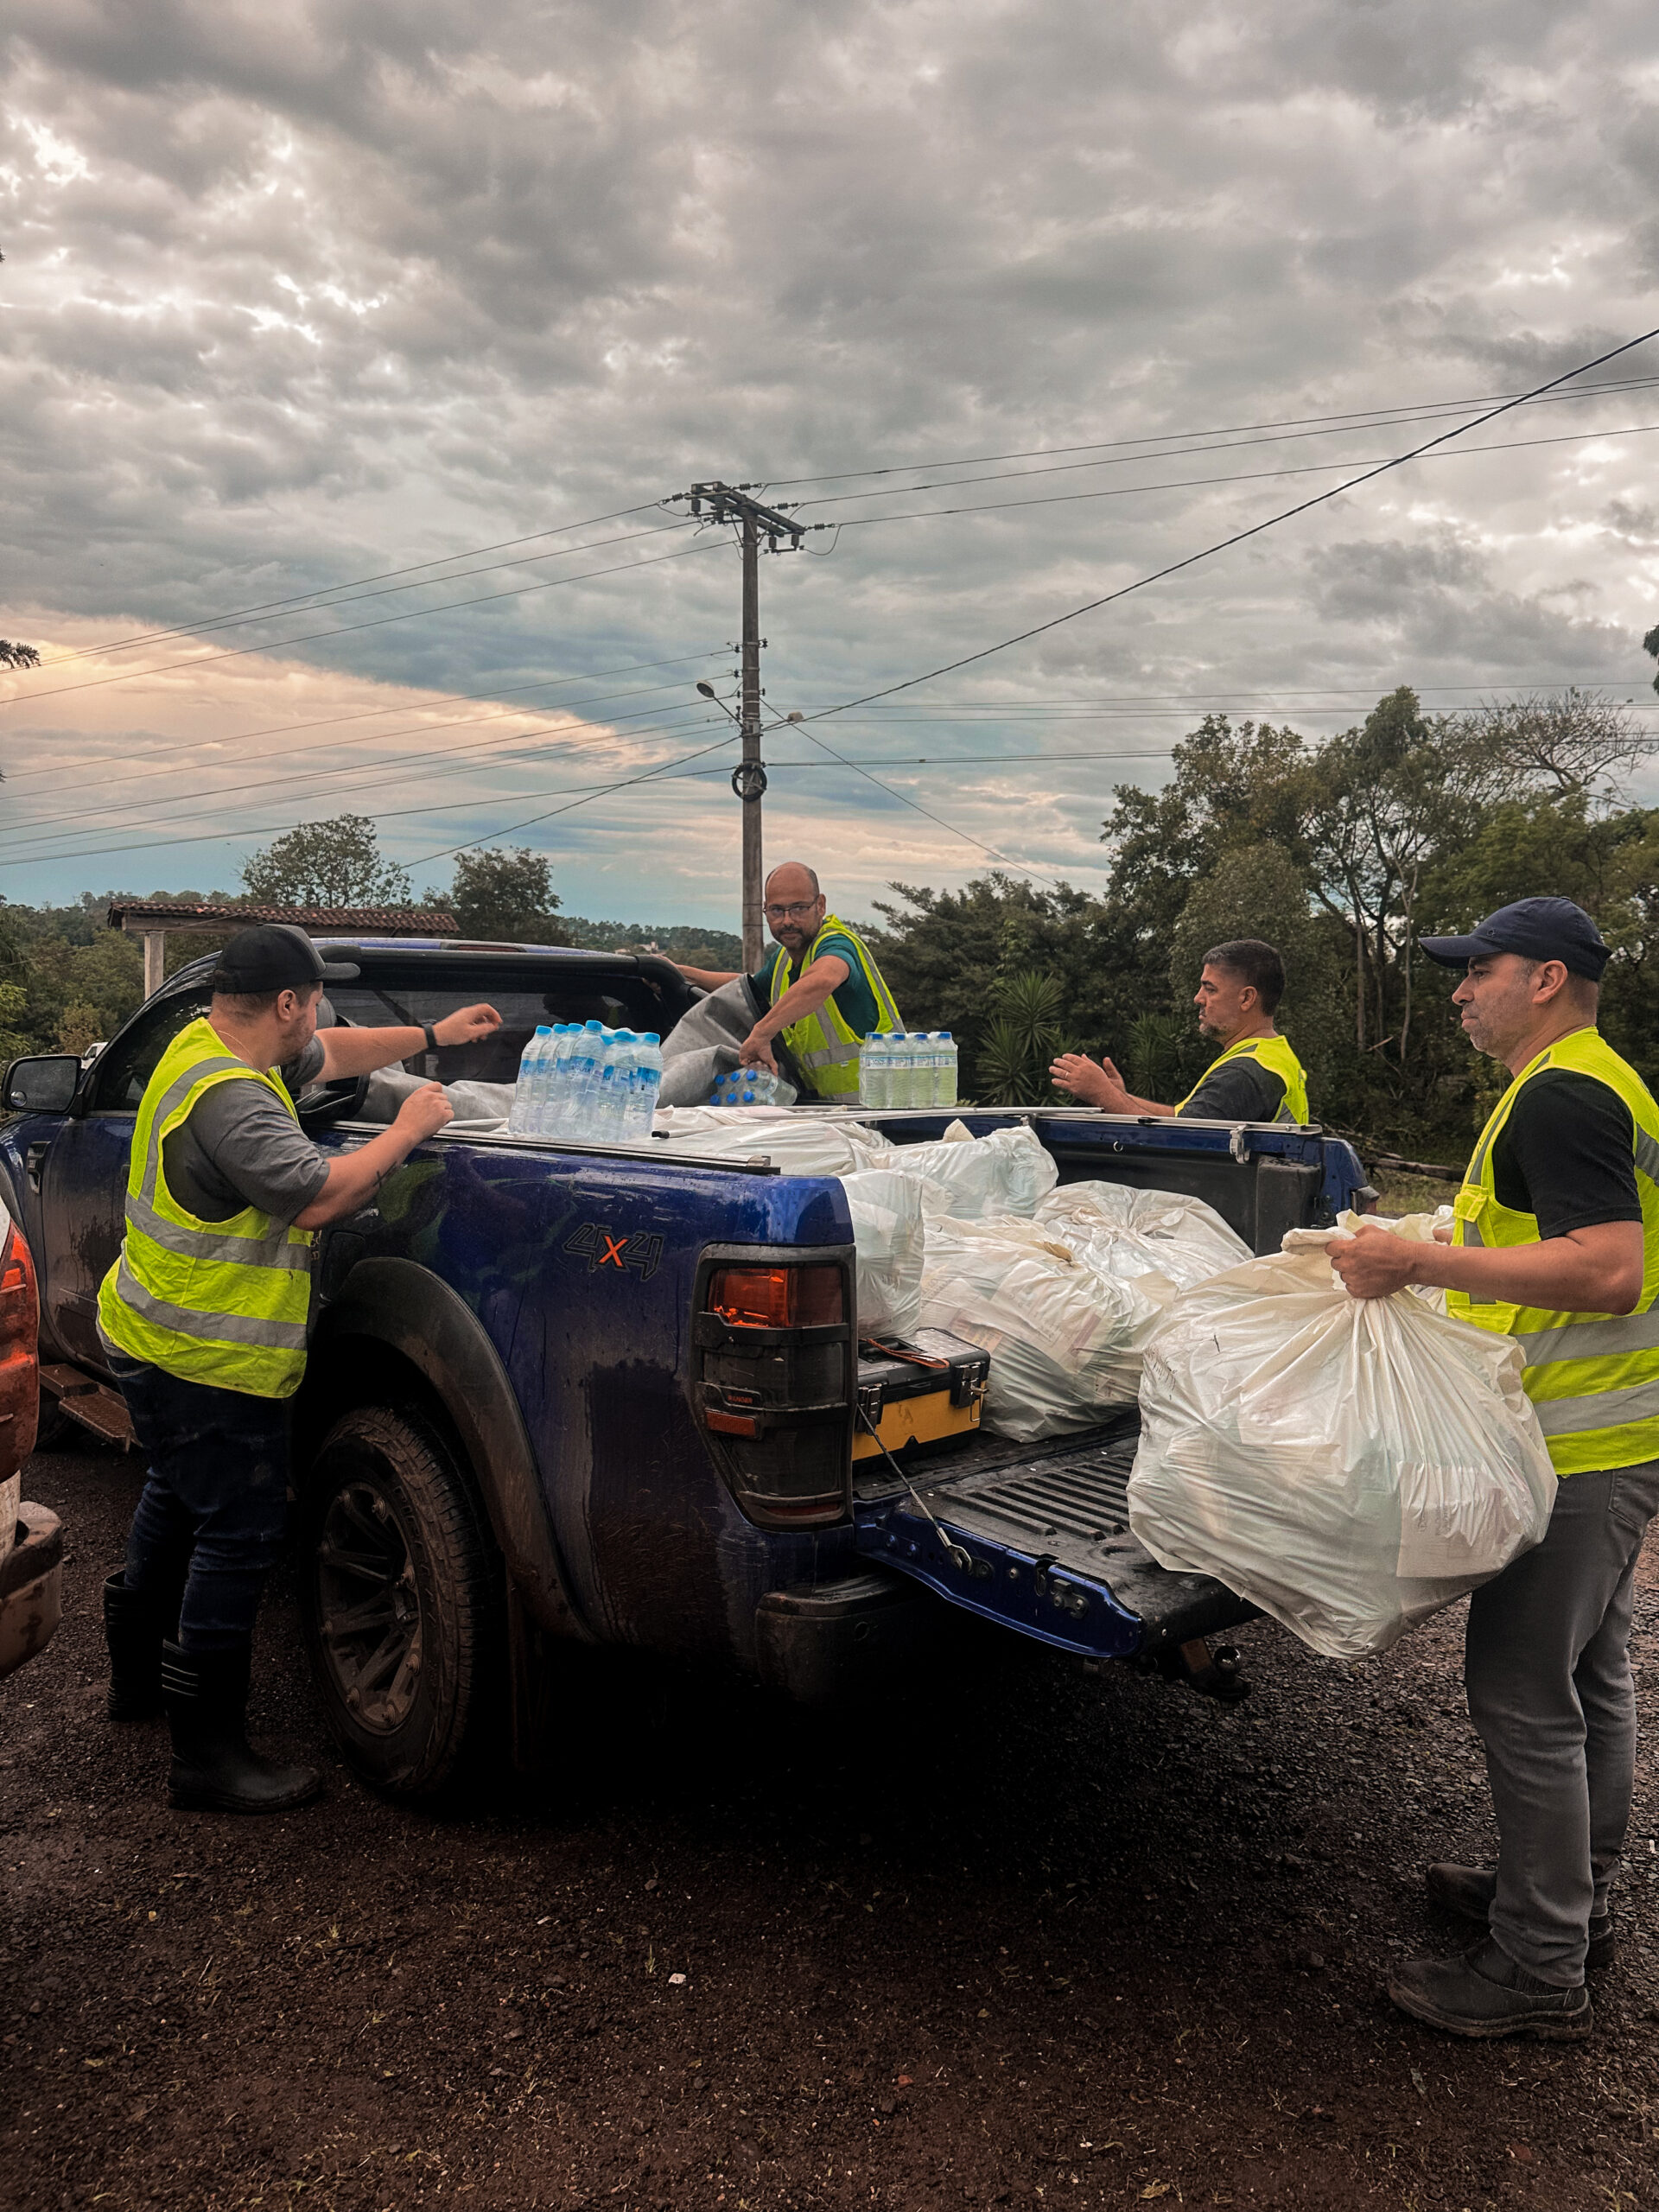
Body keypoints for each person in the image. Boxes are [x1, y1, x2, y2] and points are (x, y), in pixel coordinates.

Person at [1327, 896, 1659, 2042]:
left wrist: (1413, 1262)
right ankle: (1568, 1901)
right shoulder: (1597, 1081)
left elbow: (1609, 1270)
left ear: (1547, 978)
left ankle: (1539, 1966)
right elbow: (1556, 1239)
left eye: (1480, 969)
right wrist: (1444, 1241)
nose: (1463, 990)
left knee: (1521, 1692)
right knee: (1589, 1678)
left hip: (1572, 1448)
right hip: (1609, 1437)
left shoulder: (1564, 1091)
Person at [99, 924, 502, 1815]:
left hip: (153, 1334)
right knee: (236, 1536)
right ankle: (206, 1755)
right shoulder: (233, 1101)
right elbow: (322, 1197)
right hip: (208, 1359)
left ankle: (137, 1680)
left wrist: (433, 1035)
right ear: (287, 1001)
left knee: (177, 1494)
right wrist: (408, 1127)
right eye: (315, 1001)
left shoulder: (205, 1046)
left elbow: (335, 1054)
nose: (319, 1018)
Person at [673, 861, 902, 1100]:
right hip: (831, 1113)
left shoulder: (837, 944)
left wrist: (762, 1033)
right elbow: (743, 990)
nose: (787, 921)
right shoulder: (784, 961)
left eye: (798, 908)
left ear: (820, 905)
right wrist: (681, 972)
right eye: (776, 910)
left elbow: (823, 978)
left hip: (887, 1111)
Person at [1048, 938, 1309, 1124]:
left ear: (1246, 998)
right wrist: (1119, 1096)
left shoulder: (1243, 1074)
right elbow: (1182, 1118)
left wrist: (1102, 1094)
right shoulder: (1270, 1055)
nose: (1198, 998)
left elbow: (1177, 1139)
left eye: (1210, 989)